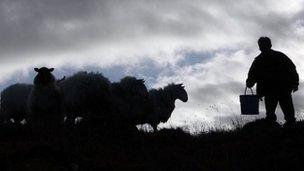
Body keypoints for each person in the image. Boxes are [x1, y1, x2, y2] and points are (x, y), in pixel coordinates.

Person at [246, 37, 299, 126]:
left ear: (269, 45)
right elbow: (252, 75)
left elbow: (291, 69)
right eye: (261, 45)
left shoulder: (262, 60)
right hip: (273, 90)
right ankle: (279, 129)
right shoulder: (260, 60)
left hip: (281, 89)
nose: (262, 47)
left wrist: (295, 83)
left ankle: (287, 128)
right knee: (273, 114)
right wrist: (250, 82)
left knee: (286, 114)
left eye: (264, 45)